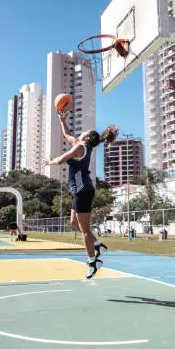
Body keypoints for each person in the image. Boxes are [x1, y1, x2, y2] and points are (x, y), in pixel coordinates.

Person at [45, 111, 118, 279]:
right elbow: (67, 134)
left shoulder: (80, 147)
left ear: (85, 138)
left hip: (83, 191)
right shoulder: (83, 145)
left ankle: (93, 262)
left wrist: (48, 162)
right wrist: (62, 120)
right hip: (79, 190)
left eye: (84, 132)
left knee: (85, 231)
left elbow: (60, 160)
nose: (82, 132)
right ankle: (98, 245)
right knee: (73, 223)